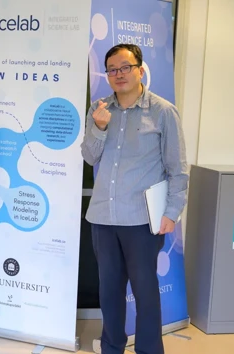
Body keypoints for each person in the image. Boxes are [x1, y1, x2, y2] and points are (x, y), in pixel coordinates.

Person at [81, 44, 188, 354]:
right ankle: (112, 348)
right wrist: (99, 128)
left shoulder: (163, 111)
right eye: (112, 69)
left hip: (141, 219)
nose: (118, 74)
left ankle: (149, 350)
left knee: (145, 291)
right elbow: (89, 156)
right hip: (103, 217)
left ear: (140, 70)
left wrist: (172, 212)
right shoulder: (99, 109)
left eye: (124, 67)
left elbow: (178, 169)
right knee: (110, 292)